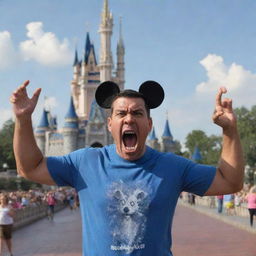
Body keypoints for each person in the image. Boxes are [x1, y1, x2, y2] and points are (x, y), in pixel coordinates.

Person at [10, 79, 244, 256]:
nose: (129, 118)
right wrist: (22, 120)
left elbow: (230, 181)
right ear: (110, 124)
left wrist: (230, 131)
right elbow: (30, 168)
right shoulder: (85, 162)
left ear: (149, 124)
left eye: (137, 113)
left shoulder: (172, 166)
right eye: (121, 113)